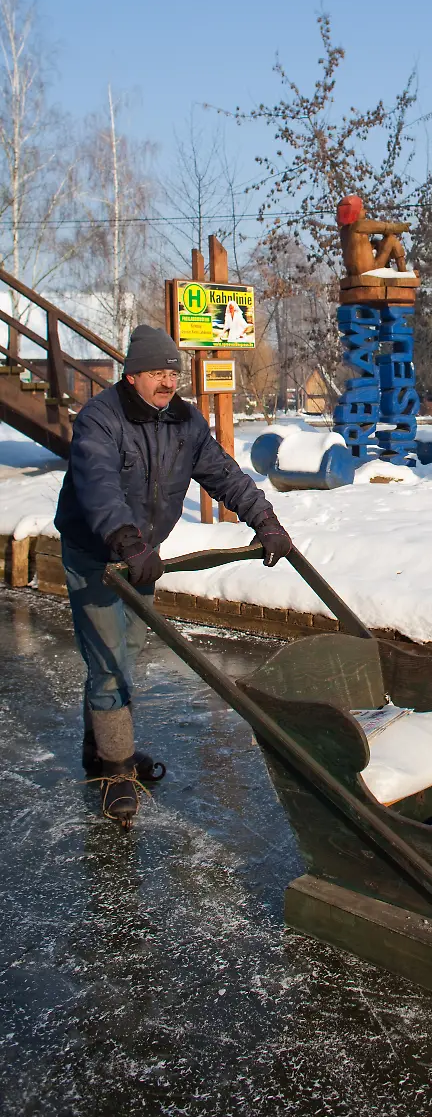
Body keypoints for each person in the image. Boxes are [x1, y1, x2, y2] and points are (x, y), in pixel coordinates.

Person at [54, 325, 293, 828]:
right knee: (108, 657)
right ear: (131, 374)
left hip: (141, 555)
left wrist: (265, 520)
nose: (168, 382)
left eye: (172, 372)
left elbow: (224, 474)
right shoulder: (101, 418)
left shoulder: (185, 421)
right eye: (157, 373)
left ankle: (99, 744)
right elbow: (98, 487)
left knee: (125, 651)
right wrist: (126, 541)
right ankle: (116, 770)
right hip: (98, 551)